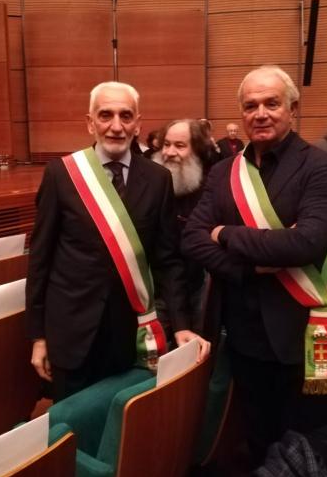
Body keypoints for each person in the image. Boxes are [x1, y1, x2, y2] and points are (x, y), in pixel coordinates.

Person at [182, 66, 327, 467]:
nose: (260, 114)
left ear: (293, 108)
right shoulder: (223, 171)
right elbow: (191, 239)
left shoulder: (322, 167)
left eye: (271, 104)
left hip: (302, 332)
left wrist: (224, 233)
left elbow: (305, 243)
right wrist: (248, 269)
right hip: (241, 331)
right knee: (258, 438)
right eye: (250, 106)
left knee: (307, 447)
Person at [26, 81, 210, 401]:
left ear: (137, 124)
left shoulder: (158, 179)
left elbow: (167, 260)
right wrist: (37, 336)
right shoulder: (61, 174)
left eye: (125, 116)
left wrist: (181, 324)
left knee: (119, 420)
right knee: (70, 422)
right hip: (70, 332)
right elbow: (40, 258)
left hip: (129, 334)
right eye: (105, 115)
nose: (116, 126)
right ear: (90, 123)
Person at [153, 118, 209, 333]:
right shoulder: (150, 185)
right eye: (166, 144)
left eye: (180, 145)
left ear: (196, 151)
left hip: (195, 292)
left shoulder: (209, 190)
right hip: (156, 294)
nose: (169, 152)